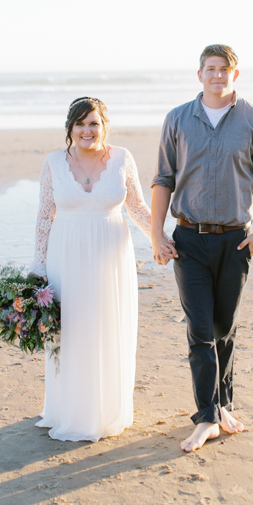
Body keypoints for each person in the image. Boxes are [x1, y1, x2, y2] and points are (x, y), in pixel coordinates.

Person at [151, 45, 253, 452]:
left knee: (225, 329)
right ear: (200, 74)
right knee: (201, 331)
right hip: (188, 239)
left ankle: (223, 404)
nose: (217, 75)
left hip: (234, 239)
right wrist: (157, 234)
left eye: (224, 69)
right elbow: (163, 179)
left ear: (235, 75)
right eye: (210, 69)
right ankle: (206, 417)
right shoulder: (177, 119)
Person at [29, 96, 160, 442]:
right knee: (70, 330)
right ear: (70, 128)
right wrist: (38, 265)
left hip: (110, 257)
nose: (87, 130)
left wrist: (161, 240)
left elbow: (137, 207)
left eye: (94, 123)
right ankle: (68, 410)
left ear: (105, 126)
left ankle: (106, 409)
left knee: (106, 325)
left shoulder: (122, 159)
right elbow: (45, 216)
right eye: (80, 124)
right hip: (66, 255)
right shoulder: (54, 163)